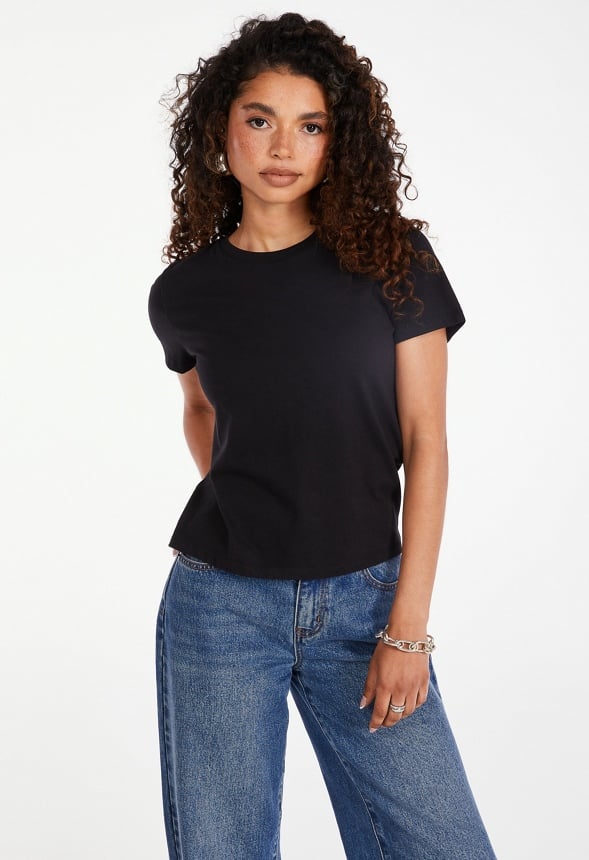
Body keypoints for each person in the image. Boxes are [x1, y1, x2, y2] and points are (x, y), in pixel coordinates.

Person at [148, 12, 496, 860]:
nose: (283, 147)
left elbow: (427, 440)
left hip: (366, 604)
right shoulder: (183, 293)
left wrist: (405, 628)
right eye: (260, 119)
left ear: (339, 142)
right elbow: (201, 408)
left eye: (310, 126)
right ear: (220, 130)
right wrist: (249, 500)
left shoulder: (392, 260)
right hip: (219, 606)